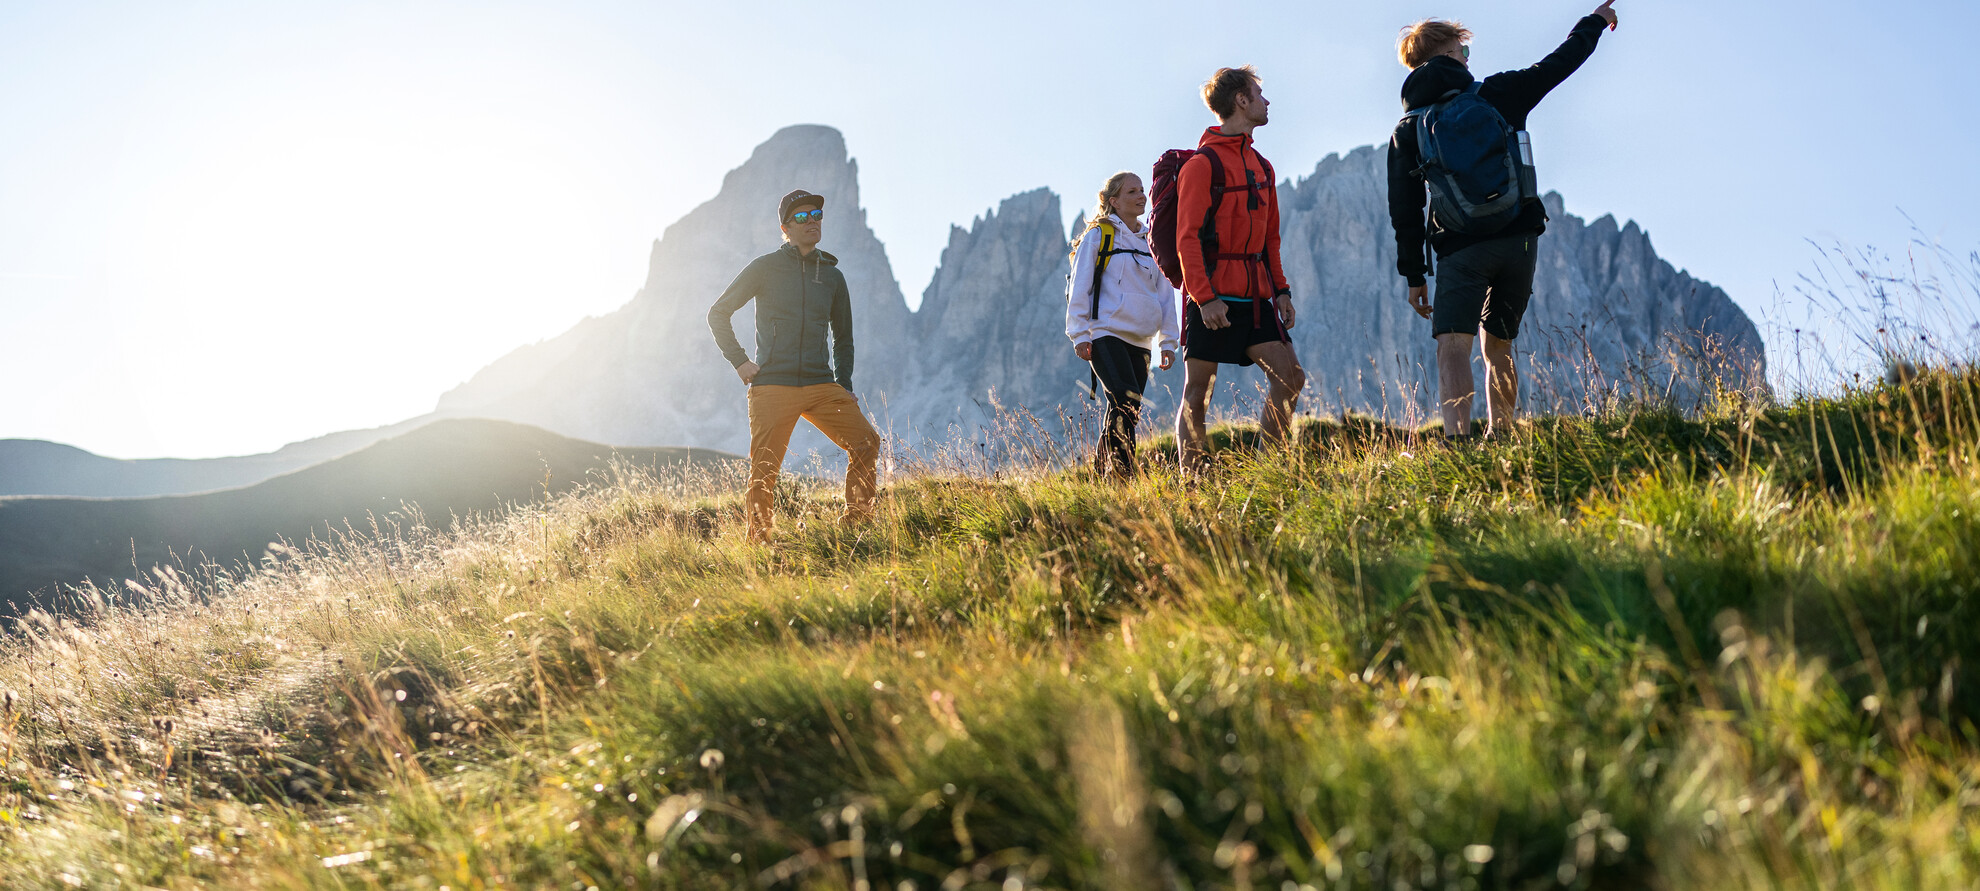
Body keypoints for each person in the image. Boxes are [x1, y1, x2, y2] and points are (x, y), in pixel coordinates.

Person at [1387, 3, 1619, 439]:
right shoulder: (1497, 93)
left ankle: (1457, 444)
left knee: (1453, 345)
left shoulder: (1408, 128)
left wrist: (1415, 274)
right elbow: (1557, 64)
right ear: (1451, 54)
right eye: (1465, 50)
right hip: (1519, 238)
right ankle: (1502, 435)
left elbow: (1404, 208)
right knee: (1498, 346)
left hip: (1459, 247)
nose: (1467, 57)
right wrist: (1594, 23)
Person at [707, 189, 881, 542]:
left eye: (816, 215)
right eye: (802, 217)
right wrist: (740, 361)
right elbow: (718, 313)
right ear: (785, 227)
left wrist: (843, 383)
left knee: (866, 441)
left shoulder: (833, 276)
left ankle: (856, 524)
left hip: (821, 384)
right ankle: (759, 540)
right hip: (773, 384)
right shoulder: (764, 268)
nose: (812, 222)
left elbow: (843, 337)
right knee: (765, 468)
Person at [1174, 66, 1306, 474]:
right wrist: (1205, 297)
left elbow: (1271, 239)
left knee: (1290, 378)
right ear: (1241, 101)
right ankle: (1193, 479)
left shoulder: (1263, 167)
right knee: (1199, 392)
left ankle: (1270, 470)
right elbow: (1187, 238)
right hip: (1213, 298)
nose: (1267, 102)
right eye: (1259, 94)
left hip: (1256, 298)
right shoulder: (1202, 165)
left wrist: (1281, 291)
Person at [1066, 172, 1179, 479]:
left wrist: (1167, 341)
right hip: (1106, 334)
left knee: (1125, 411)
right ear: (1114, 201)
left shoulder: (1150, 241)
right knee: (1126, 406)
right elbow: (1080, 287)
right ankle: (1124, 478)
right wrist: (1079, 333)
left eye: (1142, 190)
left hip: (1142, 341)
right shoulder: (1098, 236)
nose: (1142, 195)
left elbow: (1166, 294)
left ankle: (1101, 479)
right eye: (1132, 191)